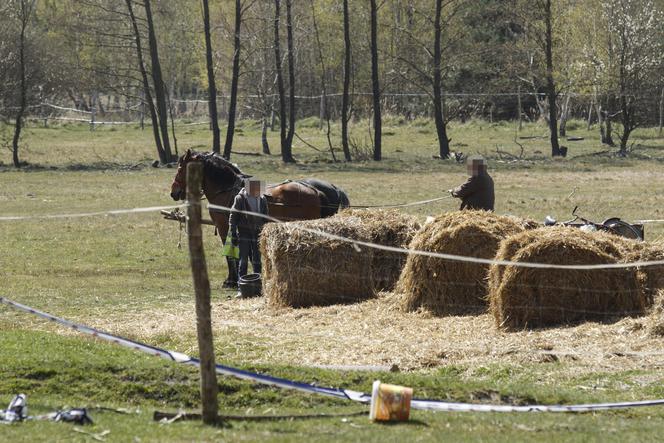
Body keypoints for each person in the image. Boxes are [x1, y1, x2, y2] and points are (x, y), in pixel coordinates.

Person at [229, 178, 268, 286]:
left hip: (257, 233)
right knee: (243, 261)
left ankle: (259, 284)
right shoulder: (240, 198)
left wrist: (265, 230)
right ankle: (241, 286)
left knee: (257, 260)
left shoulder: (262, 199)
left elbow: (265, 216)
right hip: (244, 233)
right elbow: (233, 216)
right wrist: (232, 232)